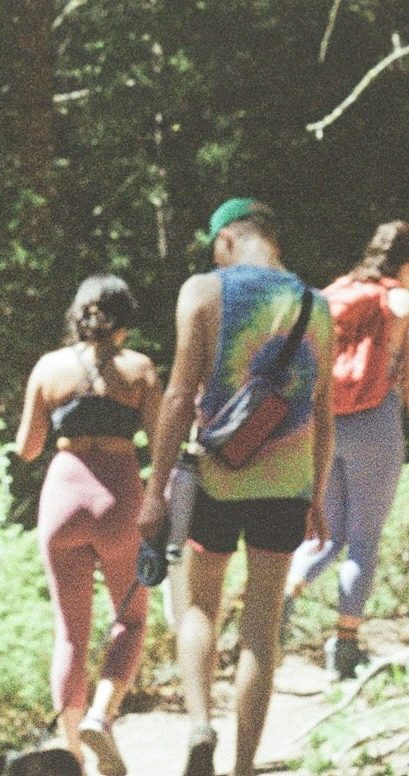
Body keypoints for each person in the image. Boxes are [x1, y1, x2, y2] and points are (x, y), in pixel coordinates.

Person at [138, 199, 333, 776]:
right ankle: (245, 767)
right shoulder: (317, 306)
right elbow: (324, 413)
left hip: (216, 480)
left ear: (225, 242)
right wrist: (316, 496)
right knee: (262, 623)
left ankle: (201, 728)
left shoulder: (203, 291)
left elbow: (177, 397)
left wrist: (156, 489)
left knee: (199, 603)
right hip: (287, 484)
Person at [17, 274, 159, 776]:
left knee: (70, 634)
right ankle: (103, 713)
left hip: (63, 499)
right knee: (131, 618)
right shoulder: (139, 369)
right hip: (120, 500)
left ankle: (71, 747)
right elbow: (162, 445)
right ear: (124, 321)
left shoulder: (48, 368)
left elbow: (28, 448)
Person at [286, 219, 409, 679]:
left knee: (322, 534)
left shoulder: (329, 296)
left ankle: (279, 602)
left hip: (320, 423)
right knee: (363, 538)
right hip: (375, 423)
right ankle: (346, 648)